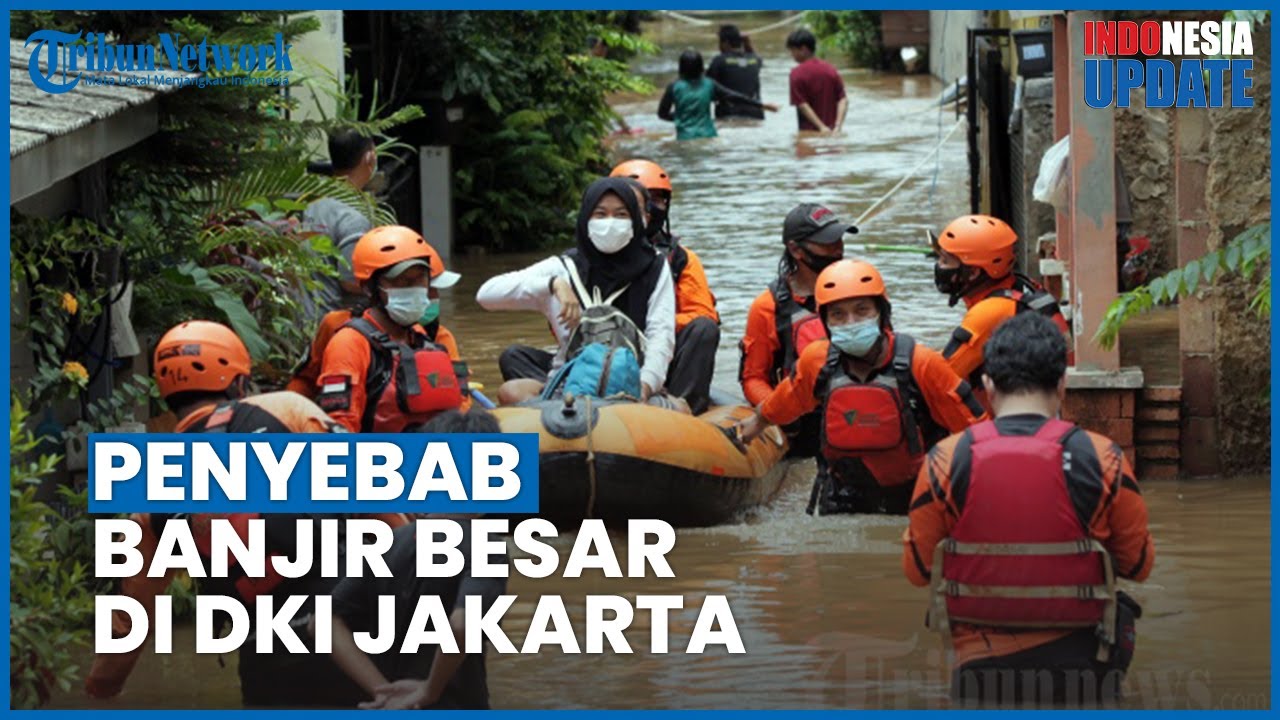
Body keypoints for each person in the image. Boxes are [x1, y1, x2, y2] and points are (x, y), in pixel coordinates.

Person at [85, 321, 406, 707]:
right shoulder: (287, 410)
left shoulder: (149, 493)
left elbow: (132, 617)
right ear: (239, 384)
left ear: (166, 395)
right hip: (358, 630)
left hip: (267, 654)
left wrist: (103, 685)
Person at [902, 312, 1154, 706]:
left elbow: (917, 571)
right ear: (1062, 383)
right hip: (1085, 665)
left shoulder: (945, 460)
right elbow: (1138, 565)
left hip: (979, 671)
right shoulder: (1102, 457)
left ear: (986, 385)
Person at [737, 260, 985, 515]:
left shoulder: (922, 364)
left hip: (915, 495)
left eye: (862, 310)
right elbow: (786, 401)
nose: (851, 322)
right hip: (842, 494)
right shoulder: (816, 361)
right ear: (825, 321)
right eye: (838, 315)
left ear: (881, 313)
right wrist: (758, 422)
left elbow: (975, 430)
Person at [323, 408, 507, 710]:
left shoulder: (391, 542)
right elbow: (462, 623)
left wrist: (382, 692)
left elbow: (323, 623)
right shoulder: (485, 546)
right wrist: (428, 692)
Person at [477, 177, 676, 405]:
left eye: (621, 215)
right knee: (511, 391)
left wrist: (645, 385)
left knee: (680, 409)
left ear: (636, 221)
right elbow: (486, 295)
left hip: (633, 383)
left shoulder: (655, 266)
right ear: (585, 219)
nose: (610, 223)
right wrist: (553, 284)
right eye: (600, 214)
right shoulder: (564, 267)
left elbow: (661, 335)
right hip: (571, 384)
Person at [316, 226, 470, 432]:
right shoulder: (349, 343)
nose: (413, 288)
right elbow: (341, 423)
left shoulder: (425, 338)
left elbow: (461, 403)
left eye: (420, 279)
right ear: (370, 288)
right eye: (401, 280)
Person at [289, 236, 462, 402]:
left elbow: (460, 398)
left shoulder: (438, 339)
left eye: (422, 282)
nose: (427, 295)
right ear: (374, 288)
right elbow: (306, 382)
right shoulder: (342, 331)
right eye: (404, 282)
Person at [738, 203, 850, 458]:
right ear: (796, 250)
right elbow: (753, 378)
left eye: (840, 240)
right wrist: (776, 411)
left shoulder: (861, 294)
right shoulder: (767, 307)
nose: (839, 249)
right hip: (801, 418)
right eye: (828, 243)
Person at [610, 159, 720, 414]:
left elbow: (702, 314)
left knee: (703, 329)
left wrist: (649, 325)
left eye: (659, 200)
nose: (652, 209)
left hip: (664, 351)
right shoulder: (587, 259)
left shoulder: (681, 259)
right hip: (606, 348)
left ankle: (682, 405)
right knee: (515, 356)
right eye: (645, 201)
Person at [931, 214, 1071, 411]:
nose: (939, 267)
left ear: (973, 273)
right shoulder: (1021, 286)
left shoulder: (989, 312)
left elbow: (940, 377)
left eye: (945, 261)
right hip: (1048, 401)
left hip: (1013, 418)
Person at [304, 129, 379, 315]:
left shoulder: (315, 202)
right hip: (337, 321)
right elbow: (351, 281)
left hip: (310, 315)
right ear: (370, 158)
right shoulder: (353, 216)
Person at [658, 49, 778, 141]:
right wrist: (762, 105)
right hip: (709, 137)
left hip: (684, 138)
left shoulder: (674, 87)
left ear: (681, 69)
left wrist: (681, 116)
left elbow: (662, 114)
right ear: (701, 68)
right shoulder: (709, 84)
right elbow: (735, 97)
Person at [786, 29, 848, 135]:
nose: (791, 54)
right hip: (833, 134)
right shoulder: (831, 69)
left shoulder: (796, 74)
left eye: (792, 50)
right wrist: (838, 126)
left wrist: (821, 127)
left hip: (810, 134)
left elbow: (802, 105)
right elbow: (843, 100)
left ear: (803, 49)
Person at [706, 24, 765, 120]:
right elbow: (757, 59)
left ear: (725, 43)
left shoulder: (719, 61)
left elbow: (706, 86)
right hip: (756, 113)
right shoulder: (755, 59)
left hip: (729, 113)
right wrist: (747, 43)